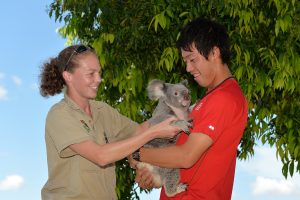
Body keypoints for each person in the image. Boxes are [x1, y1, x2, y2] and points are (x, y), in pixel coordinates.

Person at [39, 44, 181, 200]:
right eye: (91, 74)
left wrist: (174, 111)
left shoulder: (103, 110)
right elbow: (101, 155)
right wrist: (154, 132)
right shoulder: (59, 115)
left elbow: (138, 131)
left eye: (99, 73)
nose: (98, 79)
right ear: (68, 76)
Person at [132, 17, 248, 200]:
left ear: (214, 52)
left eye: (192, 59)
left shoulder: (225, 98)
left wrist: (138, 154)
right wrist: (152, 172)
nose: (188, 67)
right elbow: (179, 157)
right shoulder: (208, 100)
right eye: (186, 61)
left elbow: (186, 156)